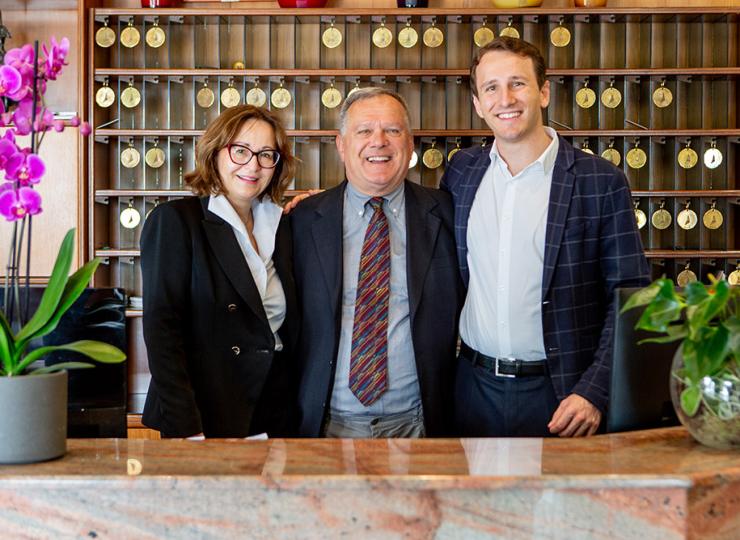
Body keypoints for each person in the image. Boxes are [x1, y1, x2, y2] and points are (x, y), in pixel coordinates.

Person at [441, 37, 650, 438]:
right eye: (491, 88)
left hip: (562, 394)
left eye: (518, 83)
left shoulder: (600, 181)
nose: (506, 98)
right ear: (478, 104)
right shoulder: (461, 173)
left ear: (543, 91)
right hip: (471, 387)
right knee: (474, 503)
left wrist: (594, 391)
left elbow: (633, 295)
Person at [290, 87, 462, 438]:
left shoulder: (449, 213)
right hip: (324, 425)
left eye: (393, 131)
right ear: (341, 144)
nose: (378, 141)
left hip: (422, 425)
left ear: (410, 143)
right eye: (364, 131)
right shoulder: (302, 220)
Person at [140, 105, 299, 438]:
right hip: (205, 415)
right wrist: (187, 429)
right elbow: (161, 332)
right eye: (240, 151)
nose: (253, 165)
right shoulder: (176, 221)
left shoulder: (283, 226)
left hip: (273, 413)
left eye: (266, 154)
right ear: (215, 152)